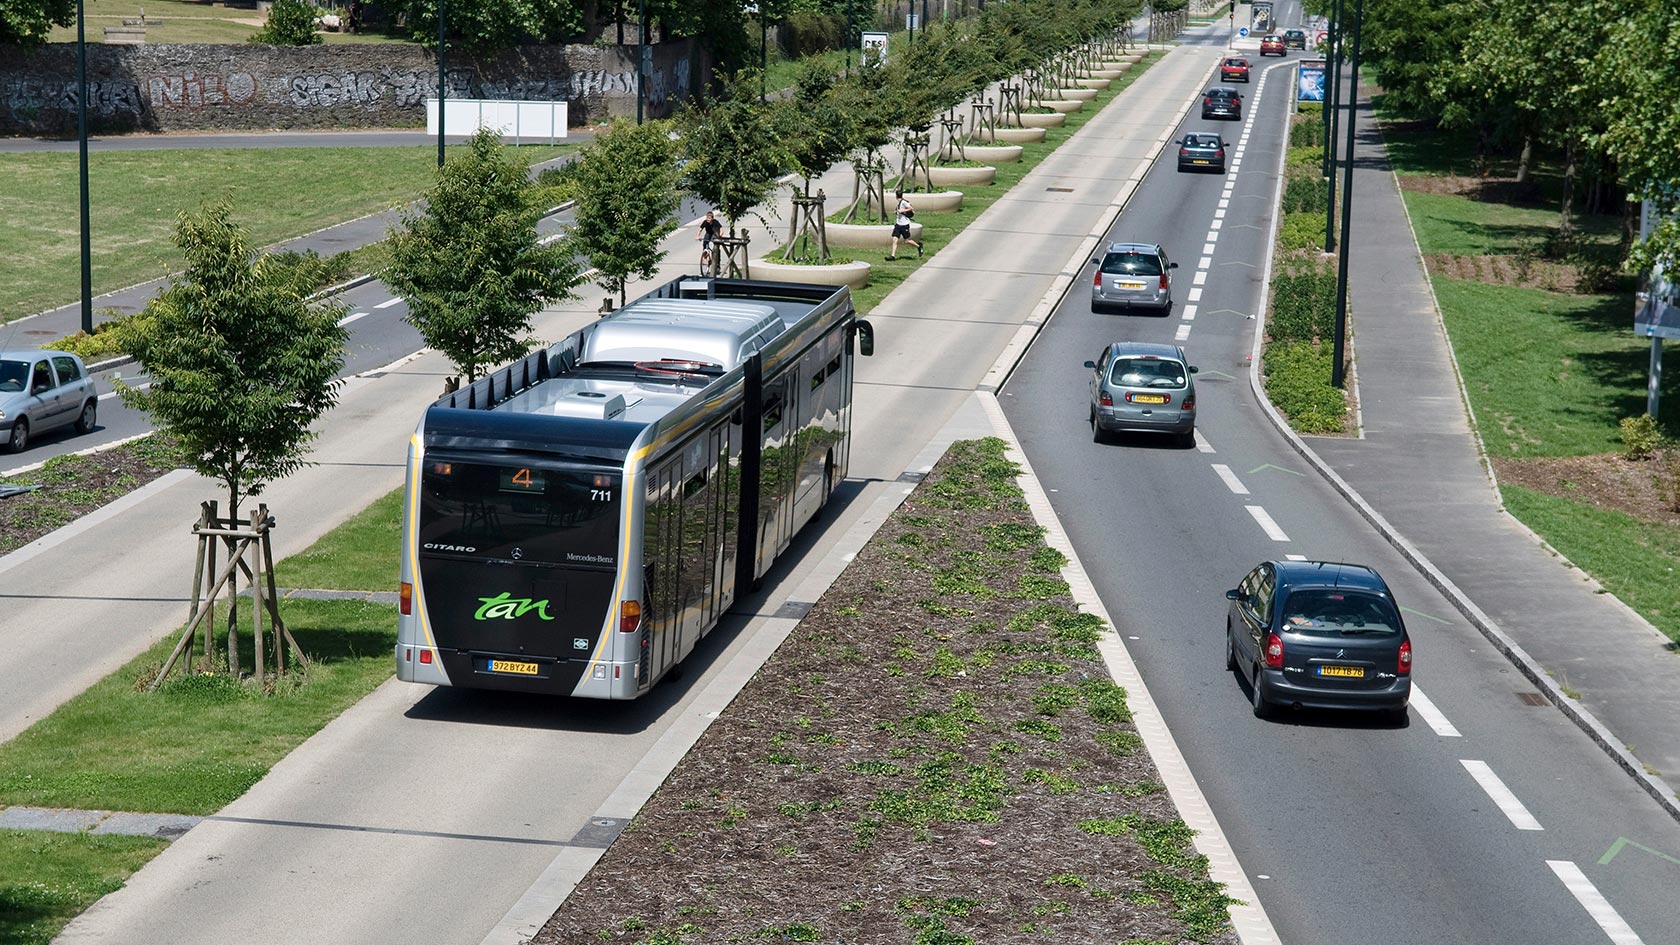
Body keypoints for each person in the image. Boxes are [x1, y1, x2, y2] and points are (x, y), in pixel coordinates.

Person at [887, 190, 923, 261]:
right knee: (895, 239)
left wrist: (902, 211)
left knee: (907, 241)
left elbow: (911, 208)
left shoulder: (904, 202)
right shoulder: (899, 203)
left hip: (904, 225)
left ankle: (919, 246)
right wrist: (897, 212)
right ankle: (893, 256)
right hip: (898, 224)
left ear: (896, 196)